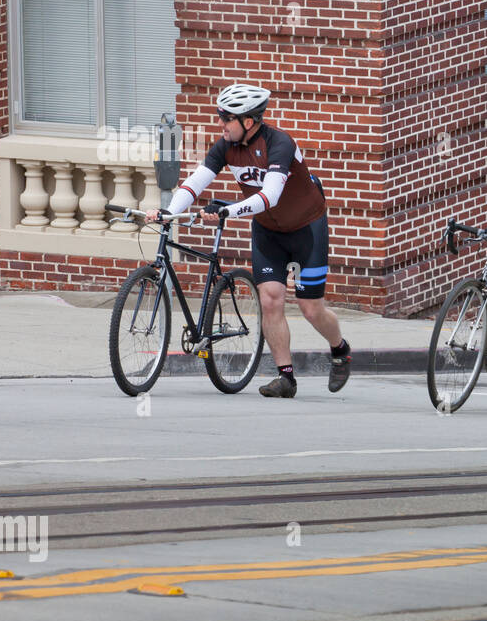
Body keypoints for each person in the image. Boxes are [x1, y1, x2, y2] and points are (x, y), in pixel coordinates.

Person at [146, 83, 350, 399]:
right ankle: (285, 378)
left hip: (307, 228)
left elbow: (269, 196)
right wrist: (167, 212)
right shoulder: (226, 145)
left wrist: (226, 211)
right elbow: (195, 183)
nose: (221, 124)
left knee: (311, 309)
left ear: (249, 121)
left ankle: (340, 349)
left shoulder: (280, 144)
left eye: (226, 118)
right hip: (268, 231)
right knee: (270, 298)